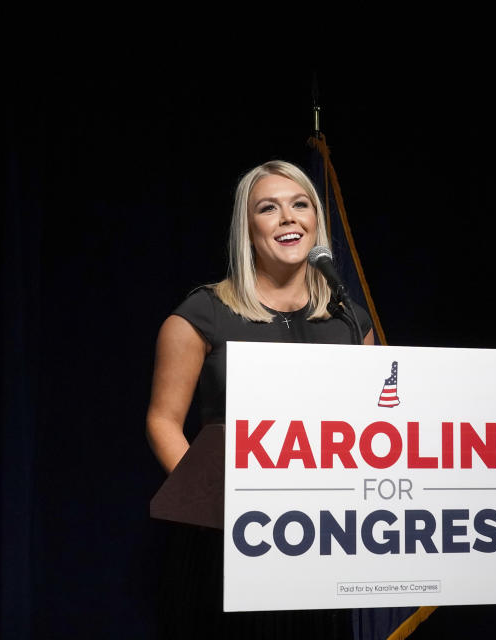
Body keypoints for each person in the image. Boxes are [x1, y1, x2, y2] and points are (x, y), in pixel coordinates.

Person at [146, 160, 373, 638]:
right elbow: (164, 421)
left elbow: (374, 428)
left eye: (300, 205)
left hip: (321, 544)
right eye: (269, 208)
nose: (288, 218)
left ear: (316, 221)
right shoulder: (202, 314)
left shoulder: (351, 322)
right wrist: (216, 506)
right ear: (248, 231)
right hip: (227, 541)